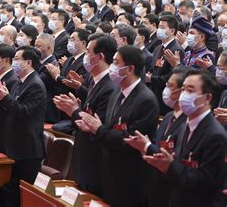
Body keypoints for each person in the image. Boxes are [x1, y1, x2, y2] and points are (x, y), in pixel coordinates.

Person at [76, 45, 159, 207]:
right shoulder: (117, 93)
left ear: (130, 69)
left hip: (129, 176)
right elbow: (109, 128)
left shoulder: (146, 100)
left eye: (116, 62)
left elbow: (130, 139)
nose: (112, 66)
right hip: (108, 172)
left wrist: (99, 130)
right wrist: (95, 129)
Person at [143, 69, 226, 207]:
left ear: (207, 98)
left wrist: (170, 166)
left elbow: (205, 181)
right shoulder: (185, 125)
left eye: (190, 90)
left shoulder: (215, 134)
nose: (184, 95)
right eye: (183, 89)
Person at [54, 33, 118, 197]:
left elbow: (96, 125)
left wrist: (74, 111)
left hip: (95, 160)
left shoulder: (110, 86)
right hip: (84, 156)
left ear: (100, 56)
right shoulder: (95, 80)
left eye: (88, 51)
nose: (85, 56)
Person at [125, 66, 189, 207]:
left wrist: (147, 146)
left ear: (182, 92)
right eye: (166, 85)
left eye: (170, 86)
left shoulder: (187, 122)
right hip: (153, 185)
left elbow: (172, 157)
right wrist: (144, 147)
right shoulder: (167, 116)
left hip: (170, 190)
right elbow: (158, 144)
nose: (166, 89)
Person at [0, 46, 46, 207]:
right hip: (16, 146)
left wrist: (5, 97)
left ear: (28, 62)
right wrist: (0, 97)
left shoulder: (35, 84)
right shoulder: (21, 82)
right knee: (10, 193)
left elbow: (23, 112)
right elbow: (12, 107)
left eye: (16, 59)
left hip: (27, 150)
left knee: (19, 195)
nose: (13, 62)